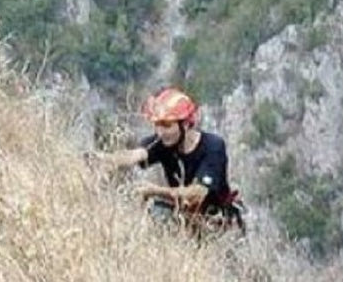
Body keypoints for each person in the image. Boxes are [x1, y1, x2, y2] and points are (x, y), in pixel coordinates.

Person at [95, 87, 245, 235]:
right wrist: (104, 160)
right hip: (186, 221)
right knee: (156, 214)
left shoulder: (213, 147)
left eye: (167, 125)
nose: (161, 132)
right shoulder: (163, 142)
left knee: (160, 211)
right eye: (157, 125)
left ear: (185, 124)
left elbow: (196, 194)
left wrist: (155, 191)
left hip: (218, 224)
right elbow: (135, 155)